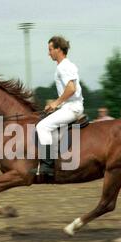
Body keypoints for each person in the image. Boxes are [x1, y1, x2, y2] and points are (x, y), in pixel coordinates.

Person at [33, 35, 84, 176]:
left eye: (50, 49)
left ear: (59, 49)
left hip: (72, 107)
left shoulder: (63, 67)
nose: (48, 53)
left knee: (42, 126)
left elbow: (71, 88)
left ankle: (47, 167)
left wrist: (56, 103)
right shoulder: (66, 65)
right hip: (69, 106)